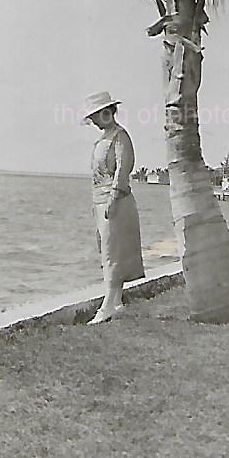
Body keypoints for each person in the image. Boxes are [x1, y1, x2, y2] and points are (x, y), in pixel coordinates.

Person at [81, 91, 145, 323]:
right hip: (101, 201)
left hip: (116, 202)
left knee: (112, 253)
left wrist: (112, 200)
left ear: (105, 113)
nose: (94, 122)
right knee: (107, 251)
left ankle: (107, 305)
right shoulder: (102, 139)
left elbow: (122, 171)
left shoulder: (120, 137)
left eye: (95, 116)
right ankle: (116, 301)